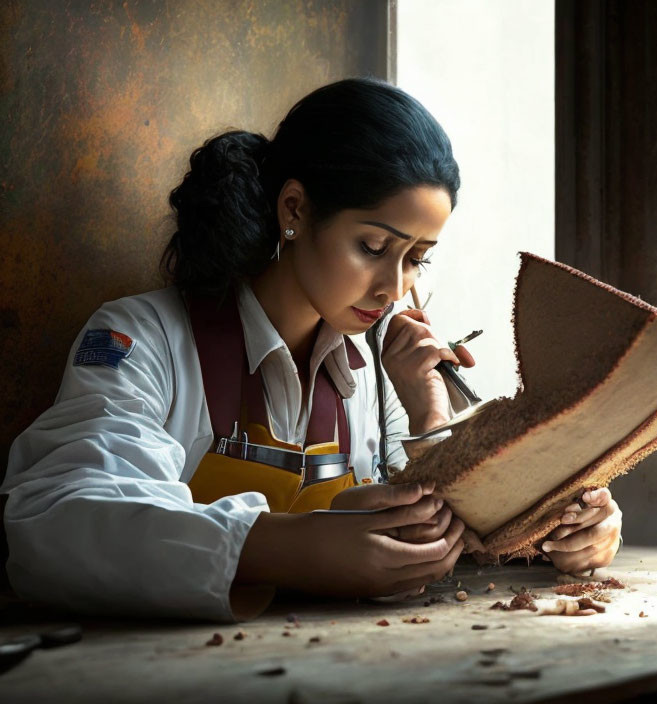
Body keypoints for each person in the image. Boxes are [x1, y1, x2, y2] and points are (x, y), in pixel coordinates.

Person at [1, 78, 621, 622]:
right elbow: (54, 523)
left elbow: (453, 528)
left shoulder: (383, 368)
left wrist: (562, 529)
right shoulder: (139, 338)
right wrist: (293, 548)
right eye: (374, 247)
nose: (393, 287)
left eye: (418, 259)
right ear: (294, 209)